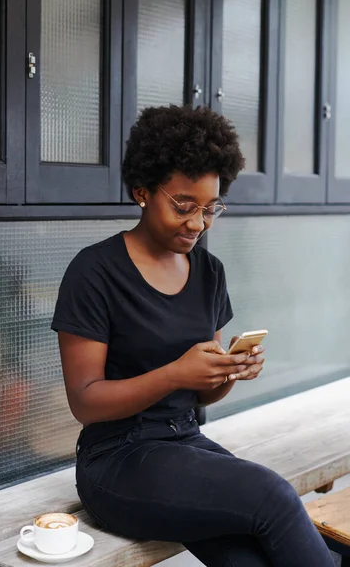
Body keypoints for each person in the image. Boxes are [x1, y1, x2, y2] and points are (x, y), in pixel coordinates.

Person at [51, 105, 334, 566]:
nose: (198, 223)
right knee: (274, 496)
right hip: (117, 461)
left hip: (185, 444)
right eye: (184, 206)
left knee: (249, 558)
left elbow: (202, 396)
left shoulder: (208, 272)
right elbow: (85, 402)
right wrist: (175, 373)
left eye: (209, 209)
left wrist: (227, 372)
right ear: (142, 191)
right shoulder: (95, 271)